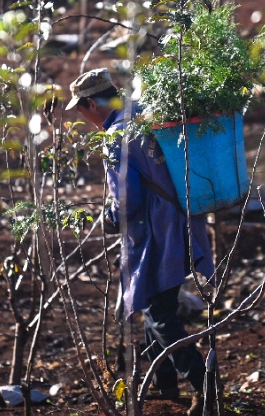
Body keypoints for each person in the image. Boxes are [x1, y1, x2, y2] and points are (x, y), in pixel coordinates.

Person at [66, 68, 215, 416]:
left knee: (160, 311)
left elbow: (127, 198)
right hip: (181, 219)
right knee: (152, 298)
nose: (83, 118)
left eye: (80, 109)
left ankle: (205, 387)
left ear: (90, 103)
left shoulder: (117, 135)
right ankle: (165, 388)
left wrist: (110, 218)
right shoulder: (145, 113)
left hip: (156, 230)